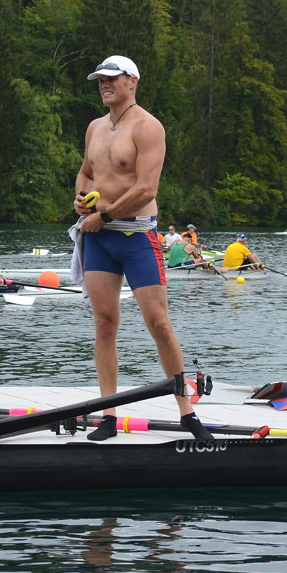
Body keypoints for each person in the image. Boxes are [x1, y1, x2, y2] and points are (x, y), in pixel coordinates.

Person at [71, 55, 212, 442]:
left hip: (136, 236)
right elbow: (86, 171)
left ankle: (187, 412)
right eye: (100, 80)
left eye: (112, 79)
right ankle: (107, 416)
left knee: (159, 323)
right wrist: (80, 200)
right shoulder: (95, 127)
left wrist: (106, 214)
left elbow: (147, 189)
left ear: (132, 81)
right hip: (98, 237)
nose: (104, 85)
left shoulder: (148, 127)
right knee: (104, 324)